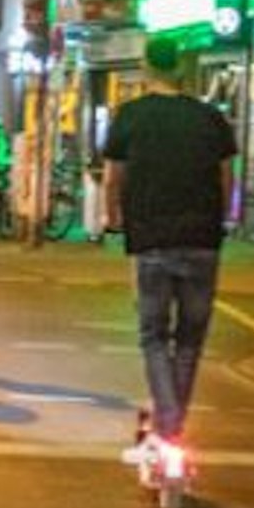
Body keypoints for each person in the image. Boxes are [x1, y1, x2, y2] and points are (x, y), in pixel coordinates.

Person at [100, 34, 238, 466]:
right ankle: (170, 429)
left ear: (145, 67)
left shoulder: (129, 116)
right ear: (181, 66)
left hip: (151, 238)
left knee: (153, 337)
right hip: (202, 240)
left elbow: (113, 178)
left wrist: (113, 218)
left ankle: (166, 426)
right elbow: (226, 180)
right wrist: (226, 220)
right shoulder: (211, 118)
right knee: (190, 342)